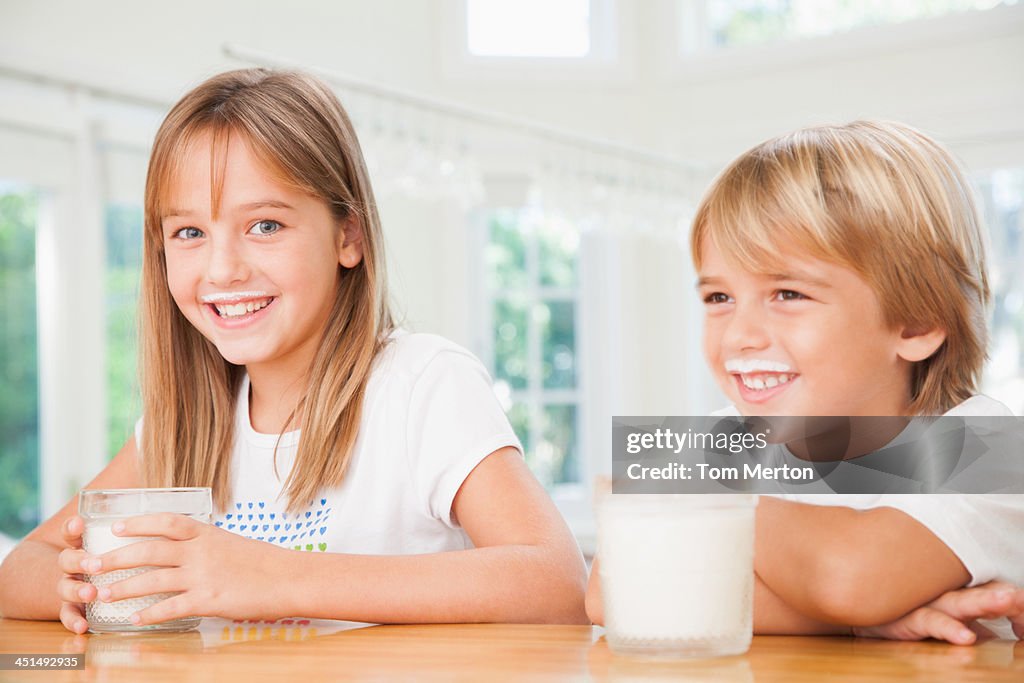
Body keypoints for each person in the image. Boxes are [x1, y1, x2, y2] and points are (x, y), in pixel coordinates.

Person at [0, 69, 587, 632]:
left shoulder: (421, 385)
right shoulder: (180, 426)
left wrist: (276, 578)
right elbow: (18, 571)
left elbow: (557, 582)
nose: (223, 269)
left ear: (348, 236)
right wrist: (80, 583)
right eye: (189, 233)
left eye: (265, 226)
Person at [586, 121, 1024, 642]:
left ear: (917, 323)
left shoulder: (986, 447)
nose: (740, 336)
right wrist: (879, 620)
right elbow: (615, 594)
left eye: (788, 294)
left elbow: (851, 576)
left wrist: (696, 496)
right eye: (719, 298)